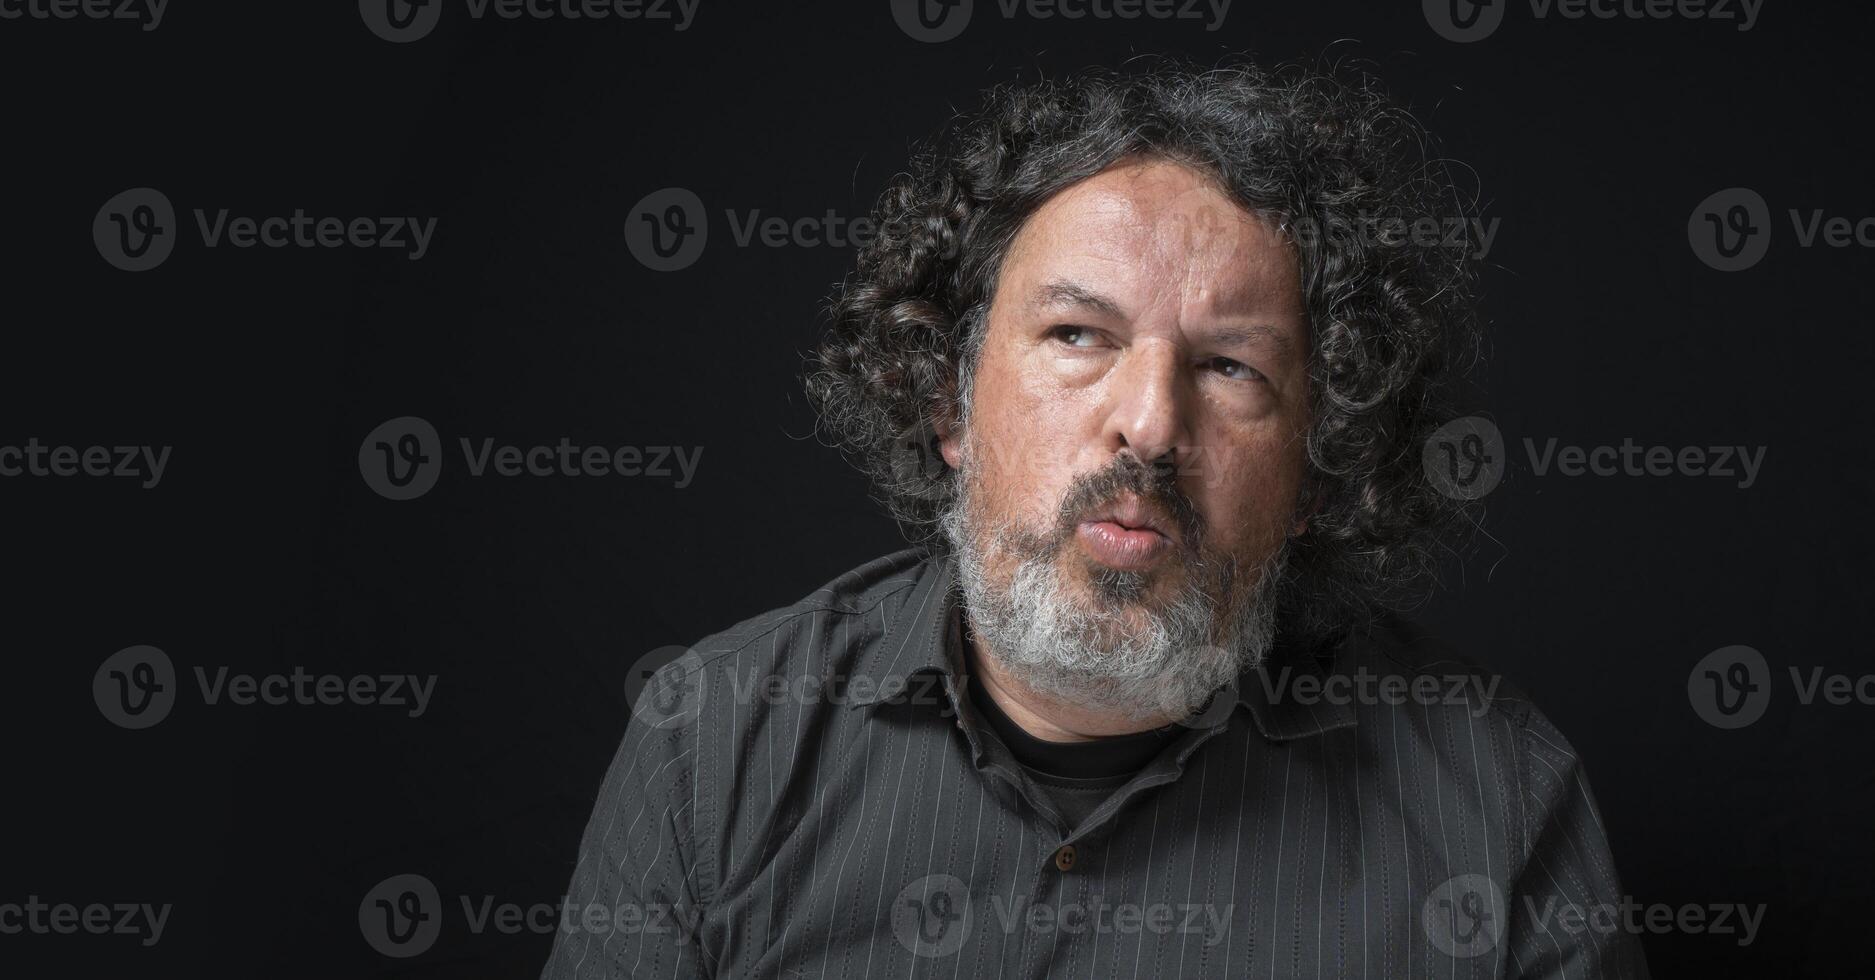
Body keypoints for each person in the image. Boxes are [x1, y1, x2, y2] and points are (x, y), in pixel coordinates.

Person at [541, 60, 1648, 978]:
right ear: (948, 399)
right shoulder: (716, 747)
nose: (1151, 423)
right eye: (1078, 334)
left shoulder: (1496, 799)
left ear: (1322, 465)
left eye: (1230, 366)